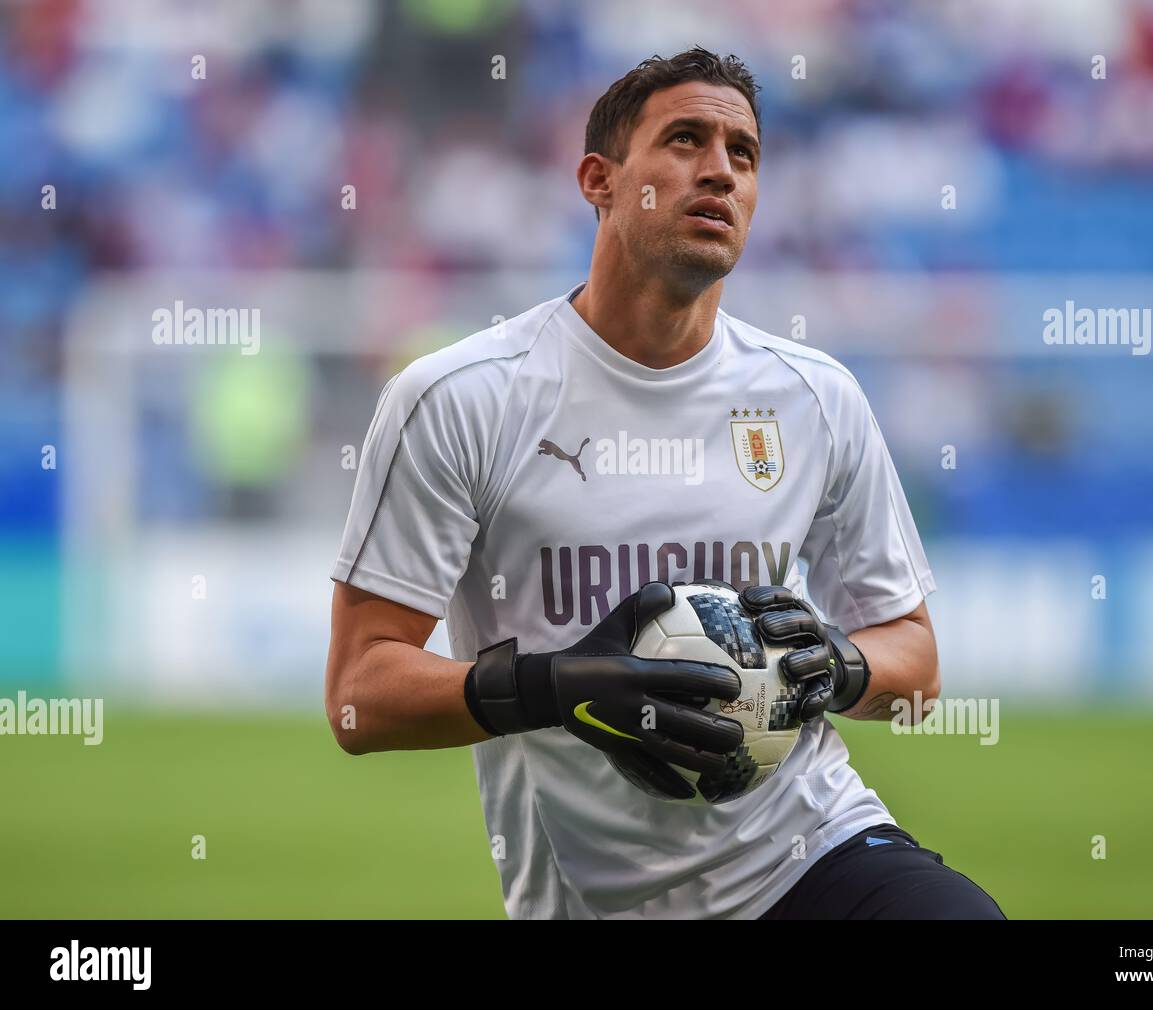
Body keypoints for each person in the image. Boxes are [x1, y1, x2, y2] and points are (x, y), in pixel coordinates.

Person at [326, 46, 1003, 920]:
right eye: (685, 139)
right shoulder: (459, 398)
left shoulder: (814, 396)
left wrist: (834, 665)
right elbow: (358, 698)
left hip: (809, 849)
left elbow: (915, 663)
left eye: (744, 153)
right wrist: (559, 686)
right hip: (599, 900)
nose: (719, 169)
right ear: (598, 180)